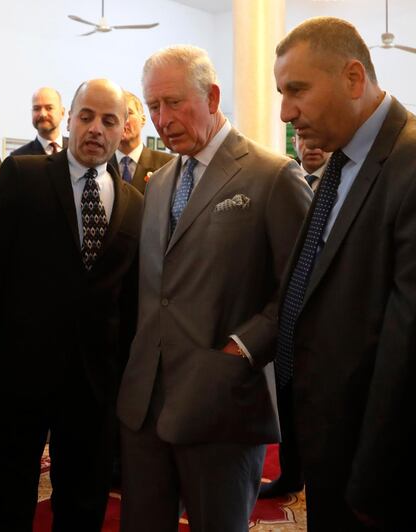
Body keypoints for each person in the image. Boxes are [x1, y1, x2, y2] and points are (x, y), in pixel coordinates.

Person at [117, 45, 311, 531]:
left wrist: (241, 350)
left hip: (222, 404)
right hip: (145, 405)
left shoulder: (272, 175)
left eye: (174, 103)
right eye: (153, 106)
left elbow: (303, 286)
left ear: (213, 95)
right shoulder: (159, 182)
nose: (162, 119)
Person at [0, 79, 143, 531]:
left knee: (84, 494)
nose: (96, 128)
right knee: (8, 490)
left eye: (109, 120)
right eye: (87, 116)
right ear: (70, 119)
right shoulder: (25, 176)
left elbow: (129, 296)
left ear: (124, 130)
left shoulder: (136, 203)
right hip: (21, 369)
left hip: (94, 381)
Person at [274, 16, 416, 530]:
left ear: (354, 78)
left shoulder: (410, 161)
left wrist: (375, 483)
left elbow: (407, 348)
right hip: (327, 445)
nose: (286, 112)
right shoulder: (340, 161)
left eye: (296, 91)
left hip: (376, 469)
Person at [260, 129, 329, 501]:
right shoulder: (286, 181)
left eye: (317, 139)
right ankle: (291, 473)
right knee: (287, 397)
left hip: (325, 322)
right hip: (287, 317)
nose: (311, 145)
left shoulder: (340, 185)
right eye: (303, 139)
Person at [109, 90, 174, 193]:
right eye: (116, 114)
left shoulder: (168, 165)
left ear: (143, 119)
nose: (123, 120)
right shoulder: (100, 164)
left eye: (129, 113)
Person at [11, 86, 68, 156]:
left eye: (49, 108)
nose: (42, 114)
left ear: (62, 113)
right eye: (36, 109)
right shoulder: (18, 158)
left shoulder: (77, 151)